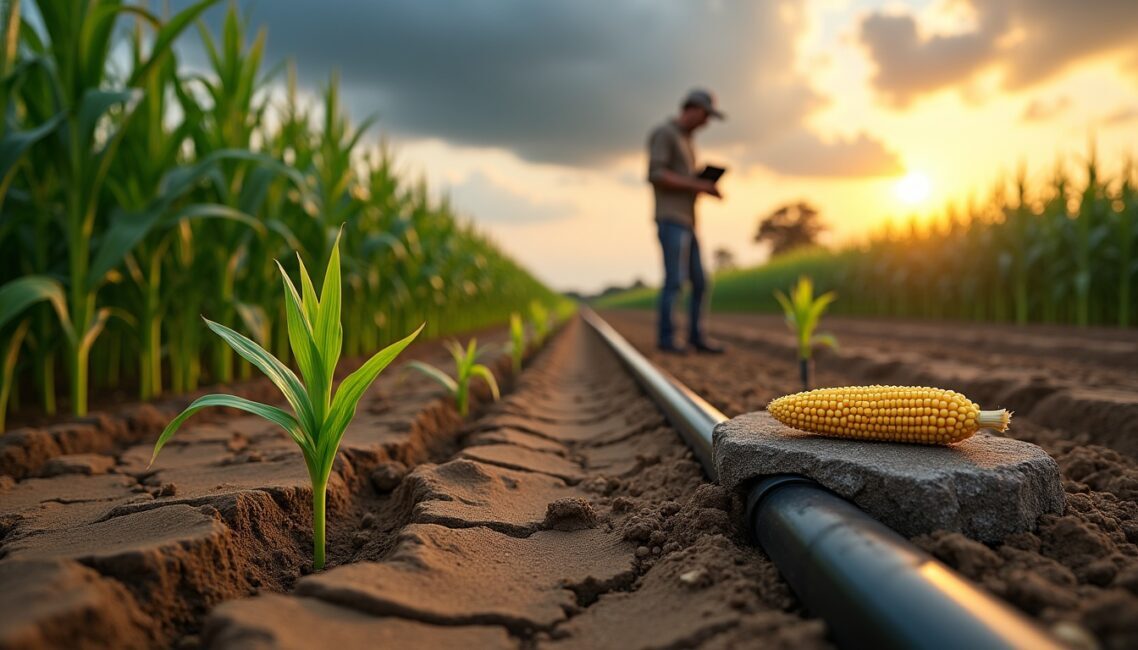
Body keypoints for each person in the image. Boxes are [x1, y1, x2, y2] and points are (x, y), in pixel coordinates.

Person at [646, 89, 725, 354]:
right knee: (675, 280)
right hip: (671, 219)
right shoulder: (665, 134)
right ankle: (667, 338)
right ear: (692, 108)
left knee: (701, 281)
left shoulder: (688, 141)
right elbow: (656, 173)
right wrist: (697, 184)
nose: (706, 122)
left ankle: (695, 336)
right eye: (705, 115)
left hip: (688, 221)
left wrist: (702, 186)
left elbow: (683, 180)